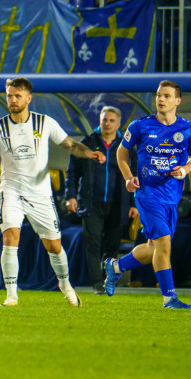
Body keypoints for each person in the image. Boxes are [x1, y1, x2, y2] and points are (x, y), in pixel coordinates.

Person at [0, 76, 106, 307]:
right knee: (10, 237)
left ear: (29, 98)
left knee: (54, 246)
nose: (12, 99)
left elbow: (70, 144)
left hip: (40, 195)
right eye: (9, 95)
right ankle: (11, 295)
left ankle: (65, 284)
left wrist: (90, 153)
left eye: (17, 96)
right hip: (11, 191)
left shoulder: (45, 123)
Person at [106, 80, 191, 309]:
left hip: (172, 197)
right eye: (159, 95)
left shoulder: (189, 129)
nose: (161, 99)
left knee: (154, 248)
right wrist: (129, 177)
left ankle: (115, 267)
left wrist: (185, 169)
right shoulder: (140, 126)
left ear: (178, 101)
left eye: (167, 96)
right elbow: (121, 153)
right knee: (164, 246)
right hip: (147, 195)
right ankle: (170, 298)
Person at [65, 106, 137, 295]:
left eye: (112, 120)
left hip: (117, 204)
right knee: (93, 244)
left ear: (119, 124)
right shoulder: (86, 143)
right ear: (100, 121)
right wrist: (70, 196)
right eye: (104, 119)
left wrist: (133, 204)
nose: (107, 123)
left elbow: (135, 176)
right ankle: (97, 284)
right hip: (91, 203)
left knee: (112, 246)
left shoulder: (126, 147)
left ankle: (108, 281)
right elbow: (72, 172)